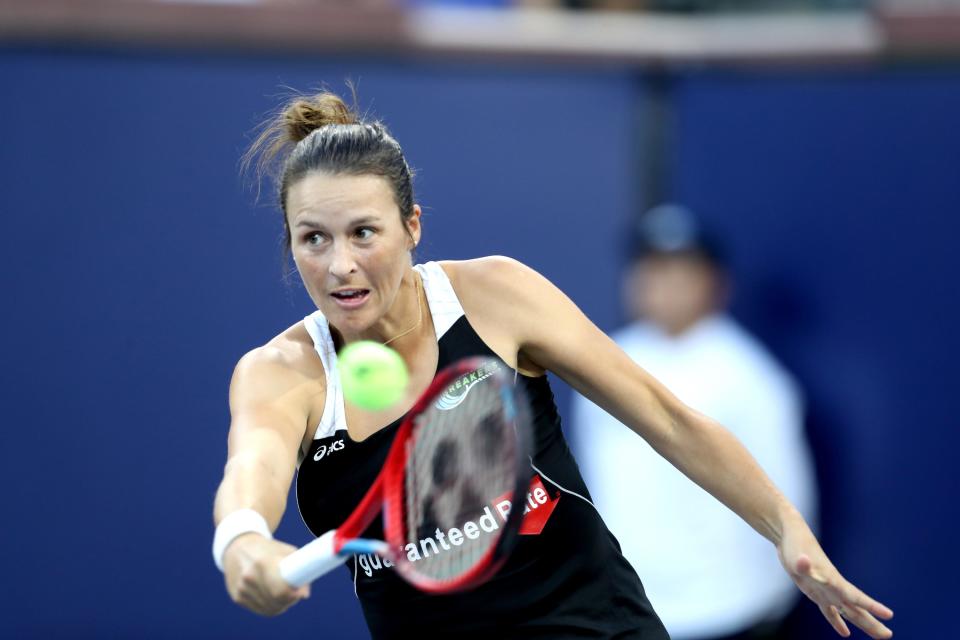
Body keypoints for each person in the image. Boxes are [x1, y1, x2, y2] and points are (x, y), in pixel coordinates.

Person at [211, 90, 893, 639]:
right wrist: (244, 546)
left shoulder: (497, 297)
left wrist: (785, 527)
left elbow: (666, 418)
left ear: (412, 226)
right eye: (313, 239)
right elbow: (251, 476)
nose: (340, 265)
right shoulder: (281, 372)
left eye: (364, 232)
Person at [572, 204, 818, 640]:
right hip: (634, 609)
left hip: (729, 611)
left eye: (682, 272)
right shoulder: (602, 362)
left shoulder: (751, 378)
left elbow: (789, 503)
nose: (666, 286)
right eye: (653, 270)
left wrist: (765, 601)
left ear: (715, 283)